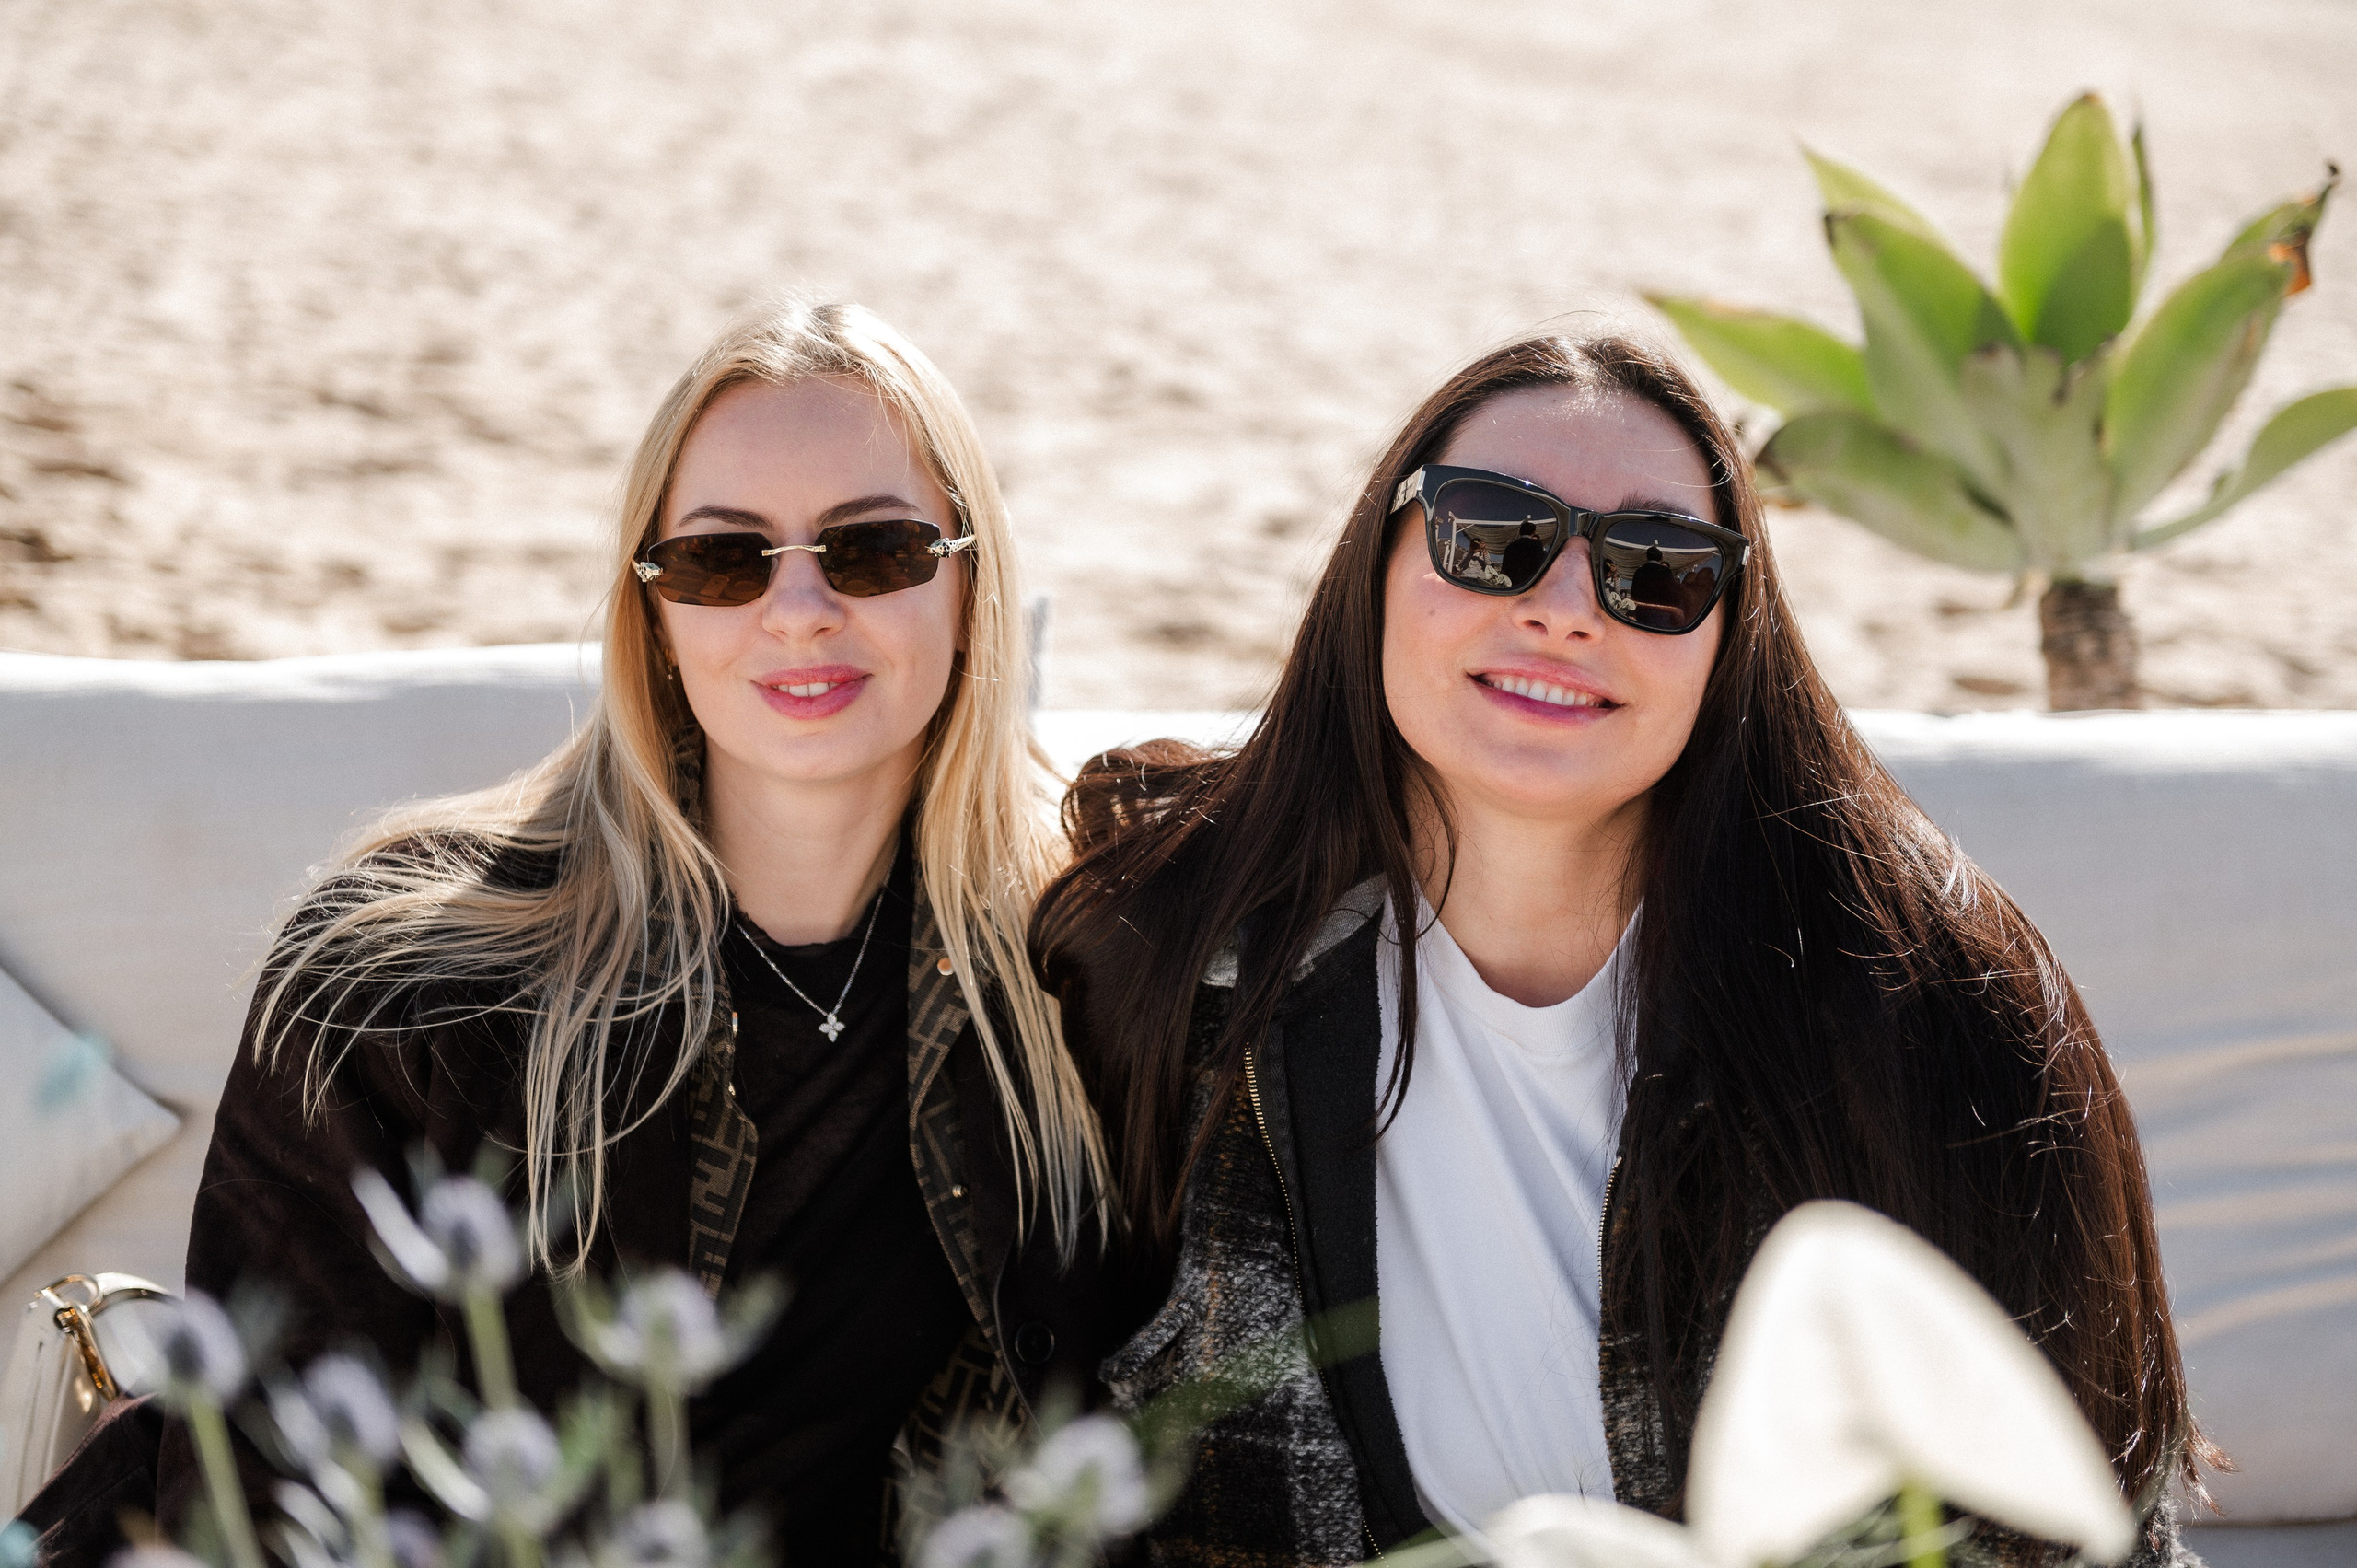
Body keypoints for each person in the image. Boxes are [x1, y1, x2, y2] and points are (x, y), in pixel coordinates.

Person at [1032, 333, 2212, 1566]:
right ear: (1375, 565)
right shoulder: (1179, 960)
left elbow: (2089, 1523)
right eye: (1490, 535)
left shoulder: (1927, 1009)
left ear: (1731, 635)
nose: (1563, 610)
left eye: (1656, 568)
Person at [56, 299, 1112, 1562]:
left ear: (971, 580)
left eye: (876, 550)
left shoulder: (1097, 975)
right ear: (654, 613)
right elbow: (269, 1500)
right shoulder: (402, 981)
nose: (798, 608)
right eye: (723, 560)